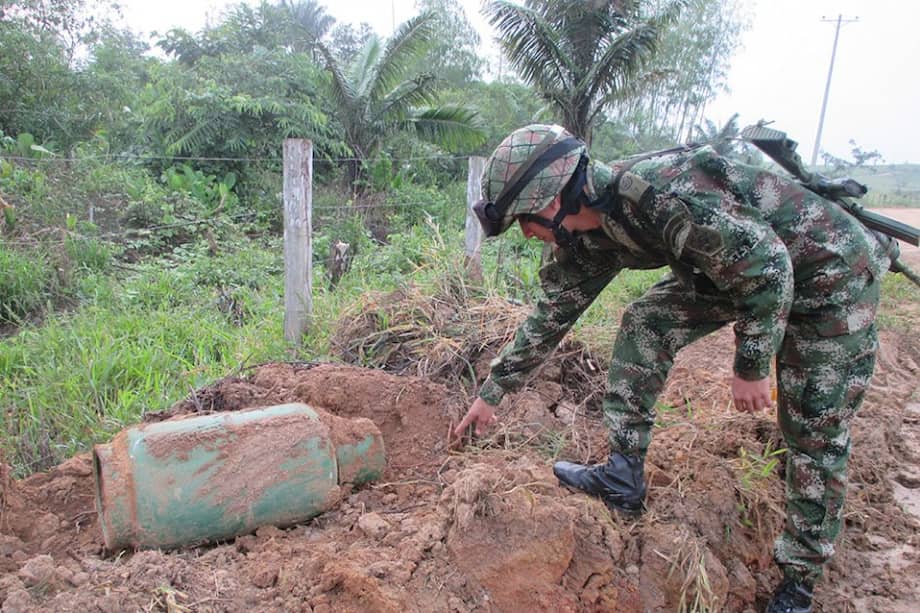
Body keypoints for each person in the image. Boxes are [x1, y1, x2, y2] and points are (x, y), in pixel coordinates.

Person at [453, 123, 894, 613]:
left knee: (813, 427)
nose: (528, 235)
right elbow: (552, 313)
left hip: (827, 275)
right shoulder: (593, 232)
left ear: (553, 203)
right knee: (647, 323)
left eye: (522, 222)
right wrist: (492, 393)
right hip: (733, 271)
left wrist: (751, 365)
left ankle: (800, 581)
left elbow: (769, 270)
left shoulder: (661, 195)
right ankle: (623, 476)